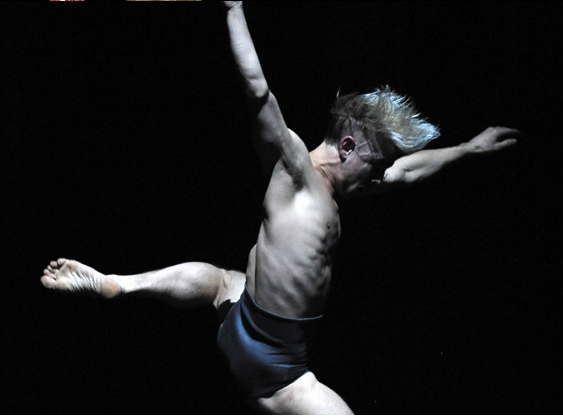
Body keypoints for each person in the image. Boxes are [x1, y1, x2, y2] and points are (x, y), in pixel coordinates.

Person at [40, 1, 519, 414]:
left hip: (242, 315)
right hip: (276, 367)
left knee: (223, 281)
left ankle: (122, 284)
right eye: (377, 164)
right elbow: (257, 89)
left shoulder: (338, 183)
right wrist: (233, 8)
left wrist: (468, 149)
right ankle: (123, 285)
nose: (381, 176)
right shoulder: (293, 168)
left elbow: (407, 172)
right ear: (347, 147)